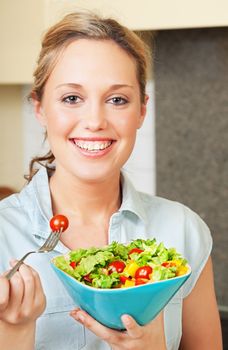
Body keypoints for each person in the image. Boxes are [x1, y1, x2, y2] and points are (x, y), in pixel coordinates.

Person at [0, 11, 222, 350]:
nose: (94, 121)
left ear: (142, 110)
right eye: (71, 98)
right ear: (40, 107)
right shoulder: (4, 237)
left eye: (117, 99)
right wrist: (14, 334)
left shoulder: (184, 231)